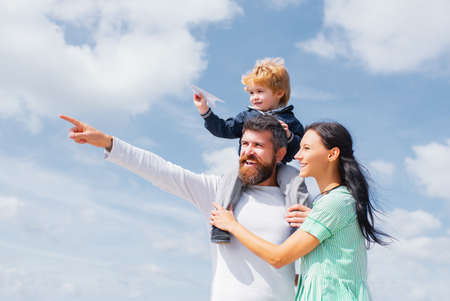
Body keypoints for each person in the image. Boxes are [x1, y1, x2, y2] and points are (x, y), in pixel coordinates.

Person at [60, 114, 311, 301]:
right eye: (245, 144)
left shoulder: (295, 204)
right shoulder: (219, 193)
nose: (248, 152)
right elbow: (163, 171)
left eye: (258, 146)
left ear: (279, 154)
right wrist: (108, 142)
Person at [210, 121, 391, 301]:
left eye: (306, 148)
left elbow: (278, 258)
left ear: (332, 154)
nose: (297, 155)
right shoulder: (331, 203)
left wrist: (232, 225)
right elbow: (324, 271)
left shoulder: (335, 203)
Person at [193, 58, 307, 242]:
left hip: (278, 167)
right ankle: (220, 227)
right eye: (252, 92)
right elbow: (225, 129)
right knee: (230, 180)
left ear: (279, 92)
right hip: (249, 166)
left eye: (260, 92)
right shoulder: (247, 116)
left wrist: (290, 138)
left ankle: (299, 227)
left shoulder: (290, 121)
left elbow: (300, 150)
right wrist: (205, 111)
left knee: (295, 180)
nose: (254, 97)